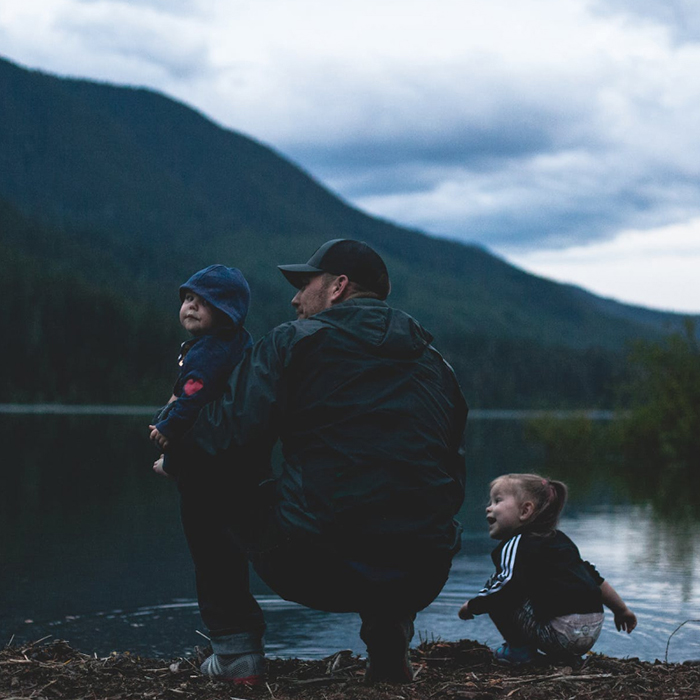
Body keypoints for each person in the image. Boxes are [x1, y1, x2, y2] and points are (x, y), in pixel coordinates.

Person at [155, 239, 468, 685]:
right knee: (400, 503)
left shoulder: (292, 343)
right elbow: (453, 477)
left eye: (304, 284)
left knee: (202, 474)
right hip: (423, 571)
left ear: (338, 287)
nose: (294, 298)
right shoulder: (437, 364)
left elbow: (223, 439)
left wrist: (176, 457)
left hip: (318, 565)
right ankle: (387, 644)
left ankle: (235, 651)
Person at [458, 473, 637, 664]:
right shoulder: (561, 541)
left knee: (500, 589)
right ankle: (566, 658)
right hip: (590, 633)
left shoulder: (516, 544)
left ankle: (518, 651)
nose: (488, 508)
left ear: (525, 510)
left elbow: (504, 587)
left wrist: (473, 605)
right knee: (530, 589)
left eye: (497, 501)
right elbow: (595, 580)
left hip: (558, 634)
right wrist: (621, 610)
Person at [148, 264, 252, 473]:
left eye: (205, 301)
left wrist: (169, 428)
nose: (192, 307)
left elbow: (193, 399)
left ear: (226, 313)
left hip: (207, 452)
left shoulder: (209, 354)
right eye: (189, 298)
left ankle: (170, 465)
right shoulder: (236, 342)